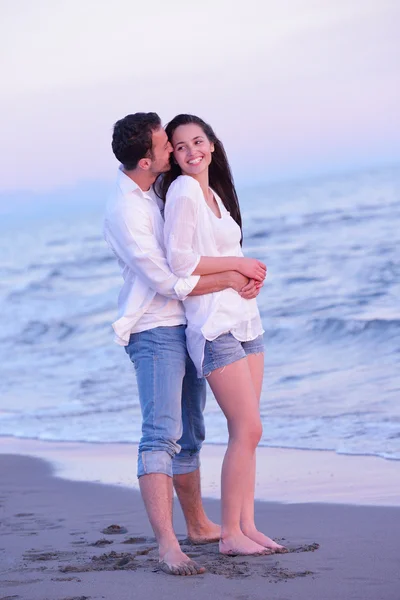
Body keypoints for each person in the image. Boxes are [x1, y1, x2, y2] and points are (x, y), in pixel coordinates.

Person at [103, 112, 262, 575]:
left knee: (192, 432)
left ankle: (197, 525)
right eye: (165, 145)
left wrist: (237, 277)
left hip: (189, 320)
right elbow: (171, 278)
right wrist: (233, 275)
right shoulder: (126, 212)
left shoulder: (158, 188)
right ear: (146, 160)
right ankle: (168, 544)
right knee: (161, 434)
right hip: (155, 327)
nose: (174, 151)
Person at [160, 114, 287, 556]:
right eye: (181, 146)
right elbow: (181, 262)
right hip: (214, 325)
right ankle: (230, 536)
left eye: (198, 141)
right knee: (246, 426)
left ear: (212, 145)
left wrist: (246, 274)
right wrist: (238, 268)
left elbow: (222, 253)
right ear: (173, 157)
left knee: (251, 431)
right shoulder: (182, 192)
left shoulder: (212, 193)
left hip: (245, 318)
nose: (192, 150)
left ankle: (246, 526)